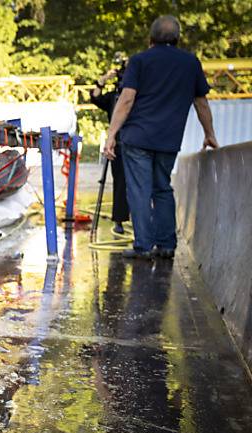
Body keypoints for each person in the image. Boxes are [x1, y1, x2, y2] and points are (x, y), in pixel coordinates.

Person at [104, 15, 218, 259]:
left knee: (139, 191)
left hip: (137, 138)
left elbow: (126, 99)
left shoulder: (140, 61)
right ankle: (167, 245)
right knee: (162, 188)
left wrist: (111, 134)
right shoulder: (190, 63)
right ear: (177, 39)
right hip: (168, 140)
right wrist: (209, 134)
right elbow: (201, 103)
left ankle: (143, 246)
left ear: (150, 39)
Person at [90, 54, 131, 234]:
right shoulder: (114, 96)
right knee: (120, 183)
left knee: (140, 182)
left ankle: (142, 220)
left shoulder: (139, 92)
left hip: (135, 140)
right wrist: (104, 79)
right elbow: (95, 97)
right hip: (118, 143)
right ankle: (120, 221)